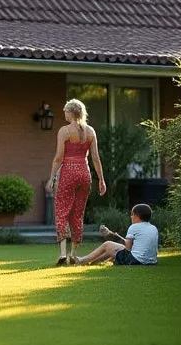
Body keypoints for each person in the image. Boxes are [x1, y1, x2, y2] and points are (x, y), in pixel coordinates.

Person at [50, 98, 106, 266]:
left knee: (62, 210)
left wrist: (52, 177)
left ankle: (62, 253)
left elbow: (59, 157)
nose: (64, 114)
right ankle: (73, 255)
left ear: (70, 112)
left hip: (68, 172)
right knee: (78, 213)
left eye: (65, 111)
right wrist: (101, 179)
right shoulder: (90, 131)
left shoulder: (65, 131)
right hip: (84, 173)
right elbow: (95, 158)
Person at [74, 203, 160, 266]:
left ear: (137, 215)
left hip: (136, 261)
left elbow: (128, 248)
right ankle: (92, 262)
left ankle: (83, 260)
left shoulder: (134, 227)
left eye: (132, 214)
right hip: (151, 261)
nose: (131, 217)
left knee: (107, 244)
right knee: (112, 249)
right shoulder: (154, 228)